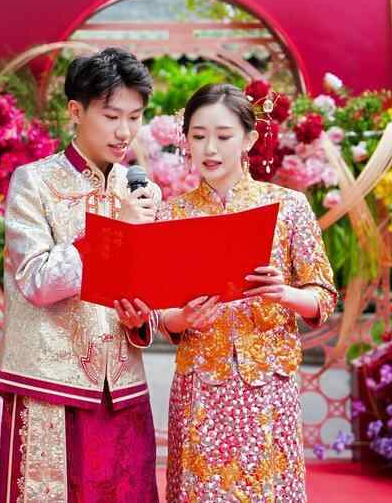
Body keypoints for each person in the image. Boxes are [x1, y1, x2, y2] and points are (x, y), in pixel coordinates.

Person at [153, 82, 338, 502]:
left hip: (267, 384)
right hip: (201, 383)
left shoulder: (288, 206)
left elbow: (323, 295)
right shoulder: (171, 213)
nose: (210, 148)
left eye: (223, 136)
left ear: (249, 140)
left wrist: (283, 293)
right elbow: (158, 311)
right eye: (199, 136)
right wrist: (181, 319)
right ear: (186, 140)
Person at [0, 48, 160, 503]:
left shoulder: (142, 190)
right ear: (75, 110)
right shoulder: (34, 181)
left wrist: (143, 319)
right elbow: (37, 281)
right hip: (49, 381)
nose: (124, 131)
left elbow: (151, 287)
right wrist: (114, 231)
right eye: (111, 116)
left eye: (135, 117)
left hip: (122, 385)